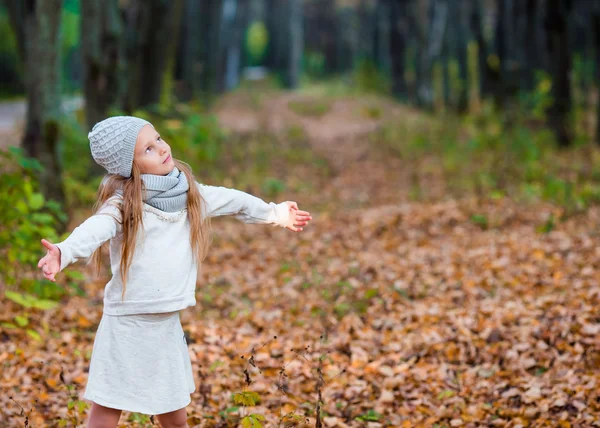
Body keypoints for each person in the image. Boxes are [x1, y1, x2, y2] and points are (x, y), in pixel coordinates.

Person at [37, 116, 312, 428]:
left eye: (158, 139)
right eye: (148, 149)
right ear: (129, 166)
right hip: (127, 322)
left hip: (166, 321)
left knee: (174, 412)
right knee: (106, 410)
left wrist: (276, 213)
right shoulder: (124, 204)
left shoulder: (190, 194)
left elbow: (235, 200)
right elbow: (94, 230)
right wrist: (64, 251)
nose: (162, 148)